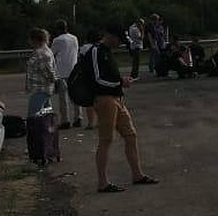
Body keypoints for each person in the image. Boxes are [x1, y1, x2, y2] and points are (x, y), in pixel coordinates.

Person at [91, 24, 159, 192]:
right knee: (106, 140)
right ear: (110, 36)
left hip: (117, 98)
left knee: (131, 135)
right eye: (118, 40)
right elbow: (97, 79)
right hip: (105, 98)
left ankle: (137, 174)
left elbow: (108, 76)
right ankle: (103, 182)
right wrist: (120, 82)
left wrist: (120, 81)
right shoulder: (96, 51)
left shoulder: (107, 52)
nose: (119, 44)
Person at [50, 19, 82, 129]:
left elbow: (51, 54)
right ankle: (78, 117)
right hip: (73, 69)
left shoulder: (57, 40)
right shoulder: (74, 38)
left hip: (61, 72)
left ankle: (65, 120)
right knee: (75, 96)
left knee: (63, 98)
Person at [25, 28, 56, 118]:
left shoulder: (41, 54)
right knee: (46, 115)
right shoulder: (43, 51)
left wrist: (53, 81)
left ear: (35, 40)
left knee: (33, 116)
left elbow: (48, 72)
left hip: (40, 89)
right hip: (43, 89)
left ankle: (37, 131)